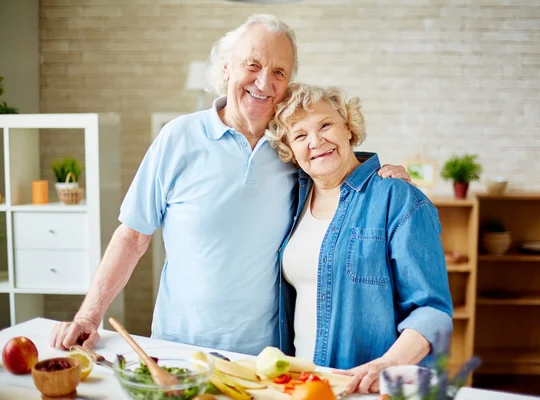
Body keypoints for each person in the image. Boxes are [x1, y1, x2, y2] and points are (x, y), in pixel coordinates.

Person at [49, 14, 411, 355]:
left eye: (278, 72)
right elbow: (132, 237)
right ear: (226, 67)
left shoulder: (291, 149)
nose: (263, 82)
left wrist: (384, 178)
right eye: (252, 65)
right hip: (179, 348)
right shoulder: (178, 138)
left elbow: (335, 166)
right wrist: (88, 316)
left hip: (267, 356)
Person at [267, 83, 453, 394]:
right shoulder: (292, 198)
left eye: (325, 125)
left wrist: (387, 365)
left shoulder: (397, 197)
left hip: (367, 387)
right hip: (302, 387)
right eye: (300, 135)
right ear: (289, 148)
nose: (316, 141)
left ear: (349, 128)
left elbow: (432, 311)